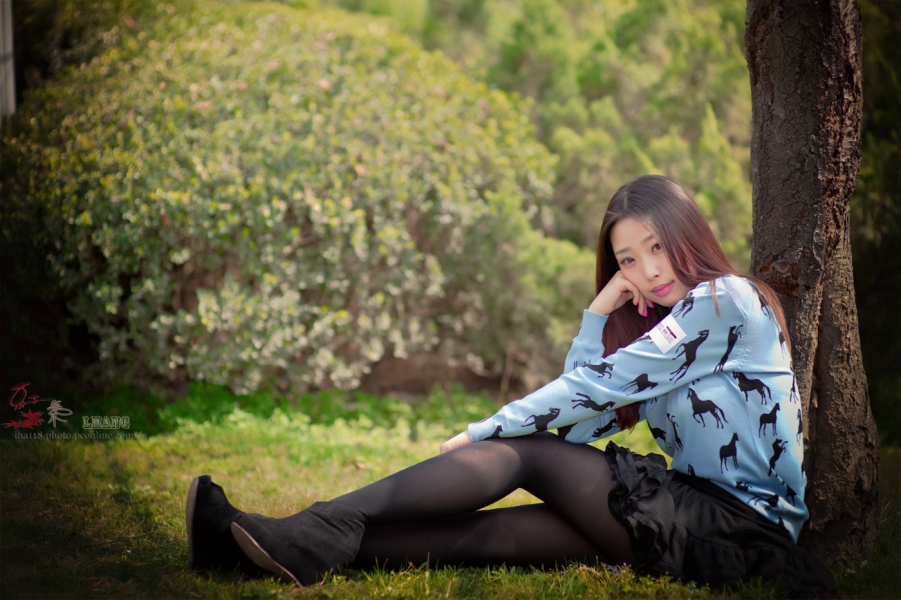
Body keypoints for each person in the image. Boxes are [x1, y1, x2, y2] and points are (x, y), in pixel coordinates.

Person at [185, 175, 836, 596]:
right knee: (492, 537)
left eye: (656, 247)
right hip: (689, 516)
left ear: (685, 232)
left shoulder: (726, 301)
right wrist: (597, 314)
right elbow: (582, 421)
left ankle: (321, 522)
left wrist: (486, 430)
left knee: (527, 453)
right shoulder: (668, 330)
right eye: (628, 260)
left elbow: (594, 389)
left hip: (740, 530)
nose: (647, 270)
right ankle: (255, 550)